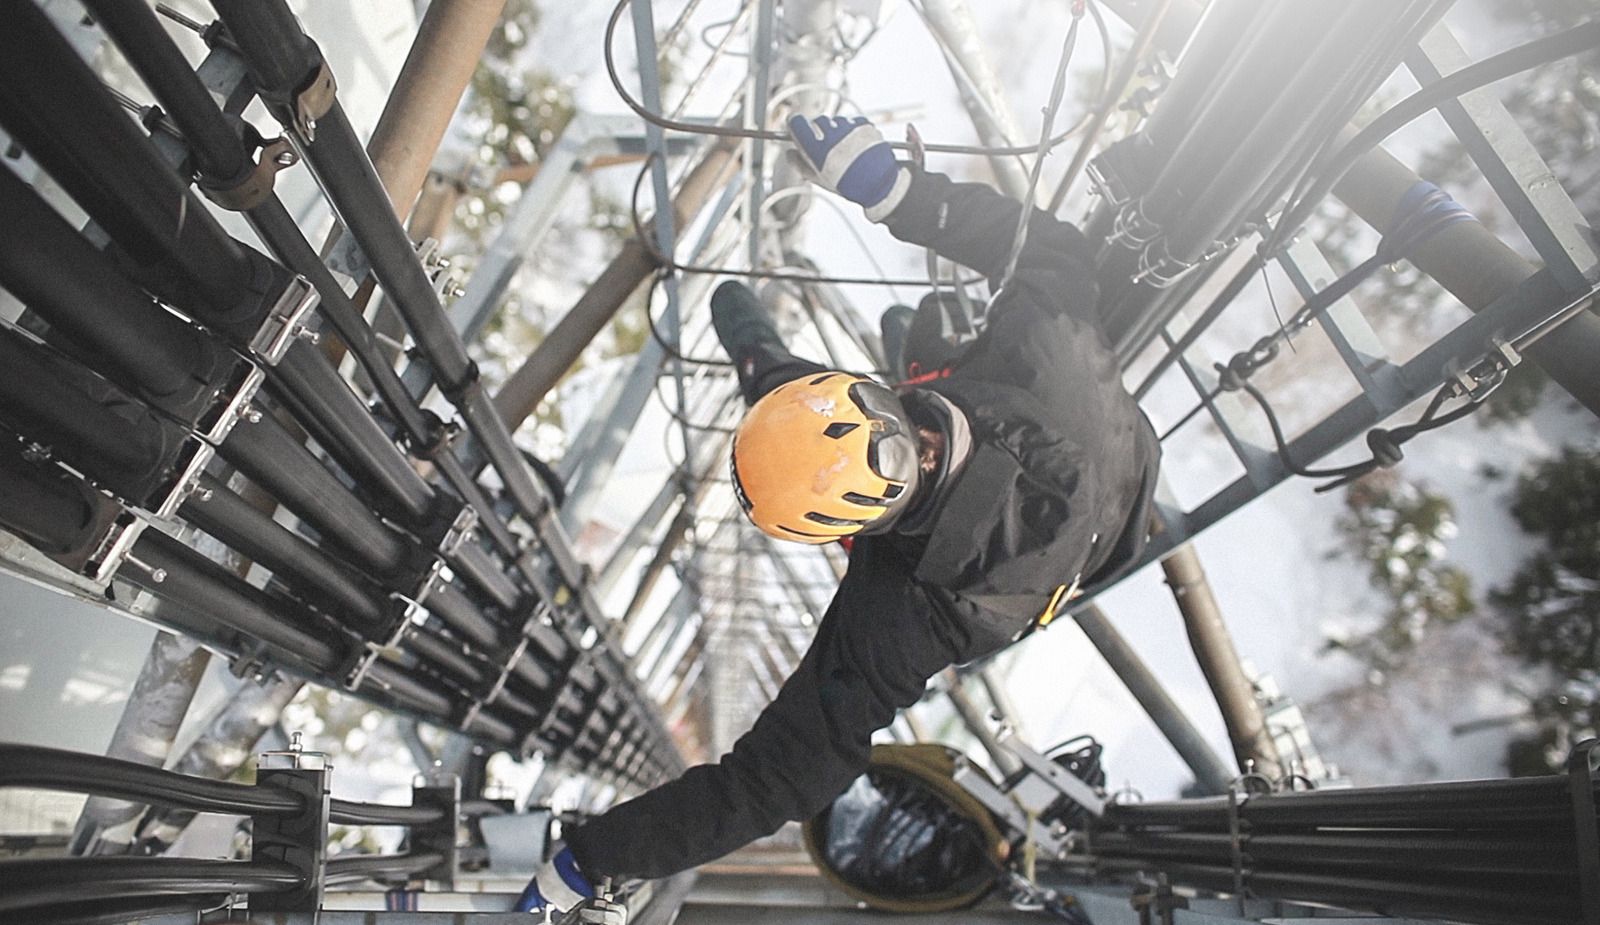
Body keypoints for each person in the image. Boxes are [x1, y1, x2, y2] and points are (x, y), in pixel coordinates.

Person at [516, 113, 1160, 914]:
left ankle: (772, 366)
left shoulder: (897, 614)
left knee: (879, 360)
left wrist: (591, 859)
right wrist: (900, 195)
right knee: (919, 331)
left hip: (1084, 532)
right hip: (1110, 461)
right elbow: (1051, 251)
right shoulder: (1044, 359)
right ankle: (788, 367)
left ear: (851, 535)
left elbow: (779, 778)